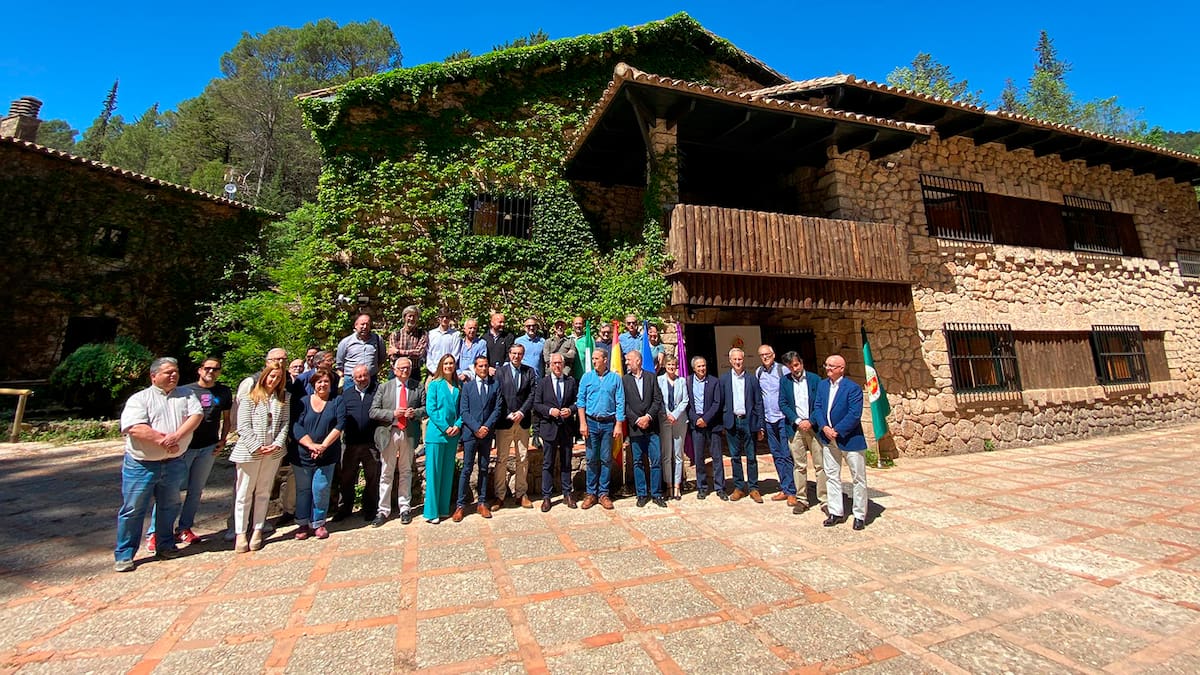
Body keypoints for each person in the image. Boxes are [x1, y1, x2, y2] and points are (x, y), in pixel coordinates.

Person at [114, 357, 203, 572]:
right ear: (154, 376)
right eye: (168, 372)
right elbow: (133, 427)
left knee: (169, 505)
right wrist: (162, 440)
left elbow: (196, 416)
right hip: (141, 465)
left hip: (173, 462)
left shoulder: (187, 394)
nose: (174, 375)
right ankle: (125, 554)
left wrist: (176, 437)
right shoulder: (140, 399)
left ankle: (165, 545)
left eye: (176, 371)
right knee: (133, 509)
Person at [146, 357, 231, 551]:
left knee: (196, 490)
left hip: (208, 447)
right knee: (170, 491)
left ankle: (184, 528)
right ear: (200, 370)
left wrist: (223, 439)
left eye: (216, 369)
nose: (211, 371)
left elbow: (226, 419)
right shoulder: (186, 391)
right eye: (207, 368)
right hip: (185, 448)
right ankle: (155, 532)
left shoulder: (223, 391)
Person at [229, 362, 290, 552]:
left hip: (273, 452)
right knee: (244, 492)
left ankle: (257, 529)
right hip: (250, 452)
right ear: (264, 376)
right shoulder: (250, 397)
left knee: (263, 492)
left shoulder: (284, 397)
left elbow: (285, 423)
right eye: (272, 376)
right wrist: (257, 446)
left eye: (278, 377)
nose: (274, 380)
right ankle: (240, 533)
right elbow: (243, 426)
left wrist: (277, 443)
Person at [811, 354, 869, 530]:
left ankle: (859, 514)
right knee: (831, 476)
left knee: (858, 478)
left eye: (831, 366)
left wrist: (837, 431)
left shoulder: (853, 388)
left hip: (849, 439)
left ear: (841, 369)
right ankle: (836, 511)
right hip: (828, 439)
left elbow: (854, 414)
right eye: (826, 365)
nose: (827, 368)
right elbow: (818, 408)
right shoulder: (822, 385)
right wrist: (824, 427)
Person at [368, 358, 426, 526]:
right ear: (394, 370)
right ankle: (383, 510)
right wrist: (393, 413)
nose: (405, 371)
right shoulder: (384, 387)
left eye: (407, 368)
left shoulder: (418, 386)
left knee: (406, 470)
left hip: (408, 432)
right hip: (389, 432)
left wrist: (414, 413)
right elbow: (373, 411)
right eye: (401, 368)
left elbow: (426, 408)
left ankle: (405, 508)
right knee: (386, 471)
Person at [290, 368, 346, 540]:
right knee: (303, 490)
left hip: (327, 453)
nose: (323, 385)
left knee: (321, 489)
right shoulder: (302, 402)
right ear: (313, 383)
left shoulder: (337, 401)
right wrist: (311, 445)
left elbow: (340, 424)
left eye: (326, 382)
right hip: (302, 454)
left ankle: (319, 523)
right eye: (319, 381)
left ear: (331, 384)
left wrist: (322, 446)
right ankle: (302, 523)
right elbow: (295, 426)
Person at [454, 355, 503, 521]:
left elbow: (497, 409)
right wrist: (476, 428)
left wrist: (486, 427)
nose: (483, 369)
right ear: (475, 368)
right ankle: (460, 505)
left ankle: (482, 502)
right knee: (467, 468)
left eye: (485, 366)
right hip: (471, 434)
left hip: (487, 434)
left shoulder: (495, 385)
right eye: (480, 366)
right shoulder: (467, 387)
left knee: (483, 467)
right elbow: (464, 411)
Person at [577, 349, 624, 509]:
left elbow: (620, 402)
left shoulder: (615, 379)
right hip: (591, 423)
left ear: (605, 359)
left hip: (608, 424)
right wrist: (582, 423)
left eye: (596, 358)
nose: (594, 361)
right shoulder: (586, 377)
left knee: (606, 459)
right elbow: (580, 401)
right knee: (591, 459)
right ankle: (591, 493)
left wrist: (618, 424)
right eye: (593, 358)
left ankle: (603, 493)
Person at [492, 343, 536, 508]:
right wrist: (508, 413)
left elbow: (532, 393)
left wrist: (522, 412)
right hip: (505, 421)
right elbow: (497, 395)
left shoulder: (529, 371)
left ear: (523, 355)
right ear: (509, 354)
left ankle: (521, 494)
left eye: (519, 353)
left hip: (522, 421)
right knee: (501, 459)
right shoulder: (500, 372)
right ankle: (500, 496)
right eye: (514, 353)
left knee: (522, 458)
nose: (516, 356)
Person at [532, 353, 578, 511]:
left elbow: (577, 402)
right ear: (550, 365)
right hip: (549, 428)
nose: (557, 366)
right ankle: (546, 497)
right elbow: (537, 404)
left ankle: (567, 493)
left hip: (566, 428)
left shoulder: (570, 381)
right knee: (548, 463)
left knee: (566, 462)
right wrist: (549, 410)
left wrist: (570, 410)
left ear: (563, 364)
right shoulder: (543, 383)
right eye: (555, 363)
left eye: (560, 363)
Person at [779, 350, 823, 511]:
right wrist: (797, 421)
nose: (794, 369)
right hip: (795, 428)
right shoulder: (784, 381)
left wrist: (810, 421)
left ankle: (824, 499)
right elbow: (783, 403)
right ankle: (802, 499)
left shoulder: (815, 379)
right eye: (791, 367)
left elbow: (820, 403)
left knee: (820, 465)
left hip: (814, 427)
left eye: (796, 365)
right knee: (799, 465)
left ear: (802, 363)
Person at [335, 364, 379, 522]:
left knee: (372, 477)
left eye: (364, 375)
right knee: (346, 477)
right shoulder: (345, 395)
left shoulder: (377, 391)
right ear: (353, 378)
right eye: (358, 376)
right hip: (351, 444)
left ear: (369, 375)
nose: (362, 379)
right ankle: (344, 508)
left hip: (371, 443)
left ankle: (370, 508)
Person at [720, 347, 764, 503]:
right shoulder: (724, 380)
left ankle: (754, 488)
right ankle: (739, 487)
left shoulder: (752, 379)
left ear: (743, 360)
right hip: (732, 421)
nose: (738, 362)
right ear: (730, 361)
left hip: (749, 421)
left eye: (740, 359)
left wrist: (760, 426)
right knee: (735, 457)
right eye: (735, 359)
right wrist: (723, 423)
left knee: (751, 457)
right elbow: (721, 402)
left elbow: (759, 403)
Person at [423, 354, 462, 524]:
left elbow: (462, 409)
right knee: (434, 473)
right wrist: (445, 427)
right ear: (441, 365)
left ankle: (443, 508)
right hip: (437, 434)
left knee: (447, 473)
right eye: (446, 363)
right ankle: (431, 512)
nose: (449, 366)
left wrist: (458, 425)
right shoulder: (435, 384)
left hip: (453, 435)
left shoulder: (458, 385)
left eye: (451, 363)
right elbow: (431, 409)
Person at [623, 351, 664, 507]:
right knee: (637, 462)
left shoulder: (651, 377)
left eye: (628, 360)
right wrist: (636, 419)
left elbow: (657, 399)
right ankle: (641, 494)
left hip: (652, 427)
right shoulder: (625, 380)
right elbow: (624, 403)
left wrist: (648, 417)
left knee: (656, 461)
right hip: (636, 429)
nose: (626, 363)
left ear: (638, 361)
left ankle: (657, 494)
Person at [688, 356, 726, 501]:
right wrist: (696, 419)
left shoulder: (714, 381)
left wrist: (706, 419)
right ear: (694, 368)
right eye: (699, 366)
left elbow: (717, 403)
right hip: (696, 425)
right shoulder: (688, 381)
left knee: (717, 457)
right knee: (699, 458)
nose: (702, 368)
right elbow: (687, 404)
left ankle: (720, 487)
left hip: (712, 425)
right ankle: (702, 487)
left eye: (703, 366)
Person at [657, 355, 689, 500]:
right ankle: (668, 484)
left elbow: (685, 400)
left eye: (673, 364)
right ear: (665, 365)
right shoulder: (659, 381)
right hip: (664, 420)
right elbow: (659, 400)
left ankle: (677, 485)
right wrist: (668, 414)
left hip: (679, 420)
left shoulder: (682, 381)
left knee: (678, 453)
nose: (671, 367)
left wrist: (675, 415)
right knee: (666, 454)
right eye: (669, 364)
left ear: (677, 366)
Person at [336, 313, 385, 390]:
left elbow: (381, 358)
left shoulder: (378, 340)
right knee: (350, 401)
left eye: (367, 324)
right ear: (356, 325)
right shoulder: (346, 342)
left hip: (371, 379)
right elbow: (339, 363)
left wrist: (372, 370)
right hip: (351, 380)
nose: (365, 327)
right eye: (362, 324)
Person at [389, 305, 428, 373]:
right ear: (404, 317)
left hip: (413, 371)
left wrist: (398, 351)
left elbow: (418, 353)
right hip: (397, 371)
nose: (412, 319)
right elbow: (393, 355)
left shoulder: (422, 334)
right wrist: (411, 354)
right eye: (409, 316)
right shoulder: (395, 334)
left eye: (414, 316)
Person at [426, 307, 462, 378]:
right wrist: (435, 371)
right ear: (438, 319)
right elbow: (428, 355)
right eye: (442, 317)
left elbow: (455, 354)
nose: (445, 319)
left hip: (449, 373)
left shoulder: (456, 335)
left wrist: (447, 369)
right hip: (433, 373)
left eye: (447, 317)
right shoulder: (431, 334)